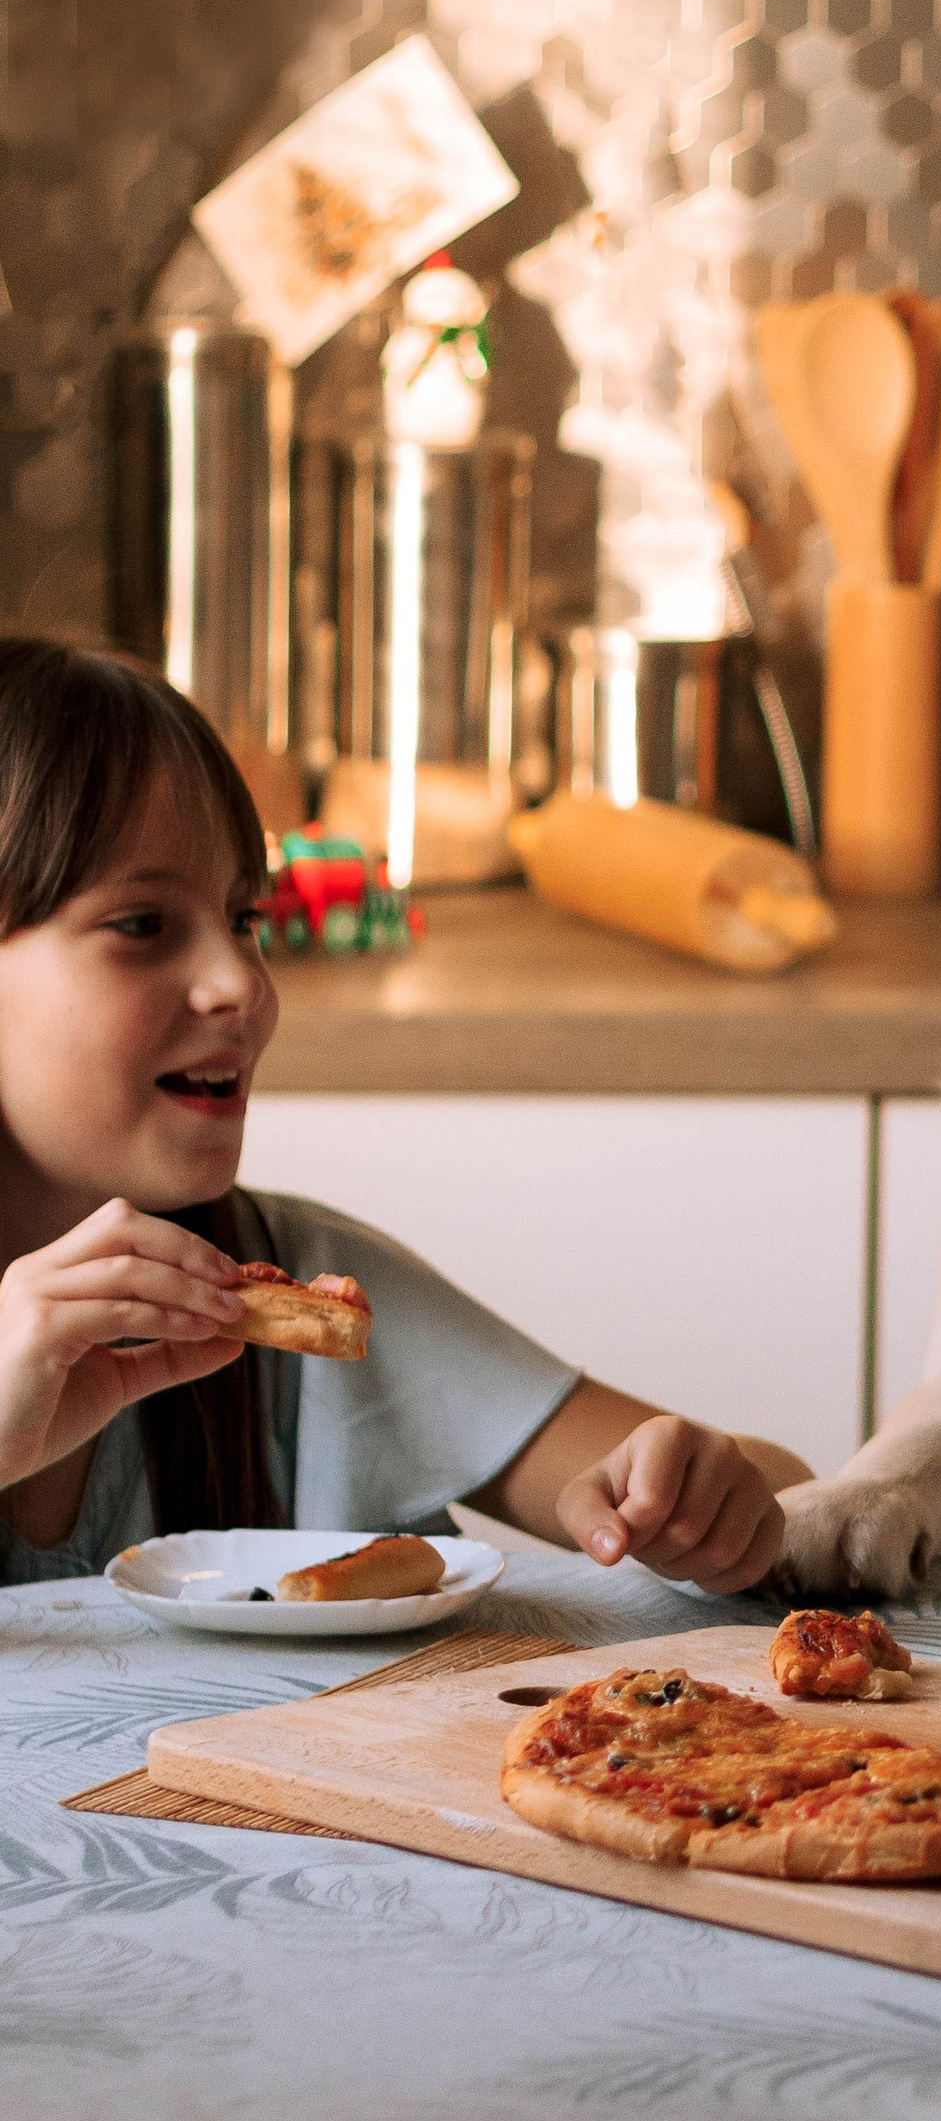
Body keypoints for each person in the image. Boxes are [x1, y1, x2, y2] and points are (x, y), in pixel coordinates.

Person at [0, 635, 805, 1591]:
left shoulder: (301, 1303)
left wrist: (708, 1495)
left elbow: (786, 1493)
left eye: (245, 919)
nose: (242, 986)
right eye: (142, 926)